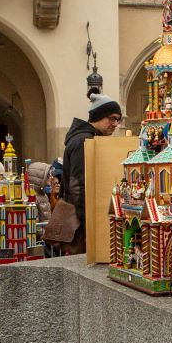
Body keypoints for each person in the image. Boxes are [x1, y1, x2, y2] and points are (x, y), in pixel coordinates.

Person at [62, 98, 122, 255]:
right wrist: (90, 226)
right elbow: (78, 186)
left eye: (118, 119)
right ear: (97, 116)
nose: (115, 124)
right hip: (81, 226)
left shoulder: (89, 138)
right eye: (112, 118)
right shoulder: (84, 141)